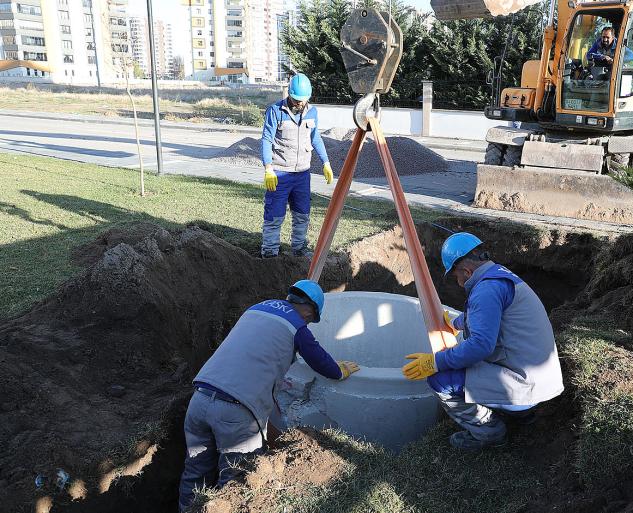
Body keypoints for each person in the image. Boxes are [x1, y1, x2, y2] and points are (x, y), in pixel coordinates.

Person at [178, 280, 359, 510]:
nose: (308, 323)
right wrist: (338, 370)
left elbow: (253, 365)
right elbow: (321, 362)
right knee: (237, 482)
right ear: (310, 310)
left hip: (200, 399)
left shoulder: (256, 309)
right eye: (311, 319)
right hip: (235, 411)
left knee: (195, 471)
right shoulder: (297, 327)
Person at [402, 233, 564, 450]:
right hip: (542, 379)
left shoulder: (485, 290)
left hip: (525, 385)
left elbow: (480, 346)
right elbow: (488, 315)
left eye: (456, 276)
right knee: (464, 360)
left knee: (440, 380)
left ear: (466, 271)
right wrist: (456, 322)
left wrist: (434, 362)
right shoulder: (499, 277)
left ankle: (489, 432)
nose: (458, 282)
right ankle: (523, 416)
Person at [259, 73, 334, 258]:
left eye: (303, 100)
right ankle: (269, 252)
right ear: (289, 95)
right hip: (280, 173)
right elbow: (266, 139)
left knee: (302, 214)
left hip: (302, 174)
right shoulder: (275, 111)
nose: (300, 104)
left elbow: (316, 138)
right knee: (274, 215)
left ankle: (299, 249)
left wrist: (326, 162)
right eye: (296, 100)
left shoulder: (312, 112)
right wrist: (268, 168)